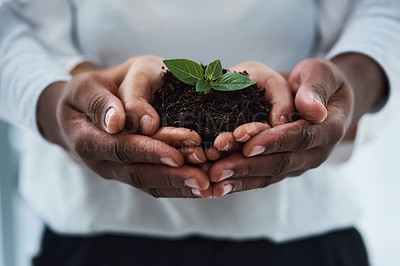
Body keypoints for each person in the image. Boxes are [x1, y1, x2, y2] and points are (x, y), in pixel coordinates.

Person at [0, 0, 399, 265]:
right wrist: (55, 100)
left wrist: (351, 79)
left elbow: (381, 9)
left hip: (303, 233)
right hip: (92, 234)